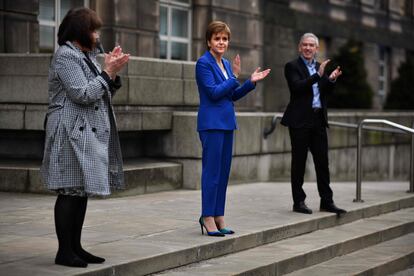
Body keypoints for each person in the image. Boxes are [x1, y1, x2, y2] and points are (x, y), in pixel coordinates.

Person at [40, 8, 129, 267]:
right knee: (69, 190)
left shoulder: (86, 56)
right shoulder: (66, 56)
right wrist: (106, 72)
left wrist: (109, 73)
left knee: (80, 190)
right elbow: (82, 93)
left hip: (83, 131)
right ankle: (64, 251)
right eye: (93, 29)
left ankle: (76, 247)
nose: (97, 34)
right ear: (80, 31)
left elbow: (101, 94)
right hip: (68, 130)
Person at [196, 21, 271, 236]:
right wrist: (234, 78)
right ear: (209, 42)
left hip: (227, 124)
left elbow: (232, 94)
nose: (221, 42)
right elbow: (214, 92)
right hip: (211, 125)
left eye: (225, 39)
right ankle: (207, 217)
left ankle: (219, 215)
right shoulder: (203, 63)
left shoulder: (227, 65)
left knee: (223, 173)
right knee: (211, 173)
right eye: (217, 38)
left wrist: (250, 82)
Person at [281, 33, 346, 215]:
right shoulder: (292, 66)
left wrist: (331, 79)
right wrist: (318, 76)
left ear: (317, 49)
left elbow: (324, 91)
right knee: (299, 163)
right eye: (305, 45)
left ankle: (327, 201)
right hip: (300, 121)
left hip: (318, 120)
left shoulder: (320, 67)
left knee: (322, 163)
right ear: (299, 47)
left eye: (312, 45)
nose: (308, 48)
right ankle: (298, 202)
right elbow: (297, 87)